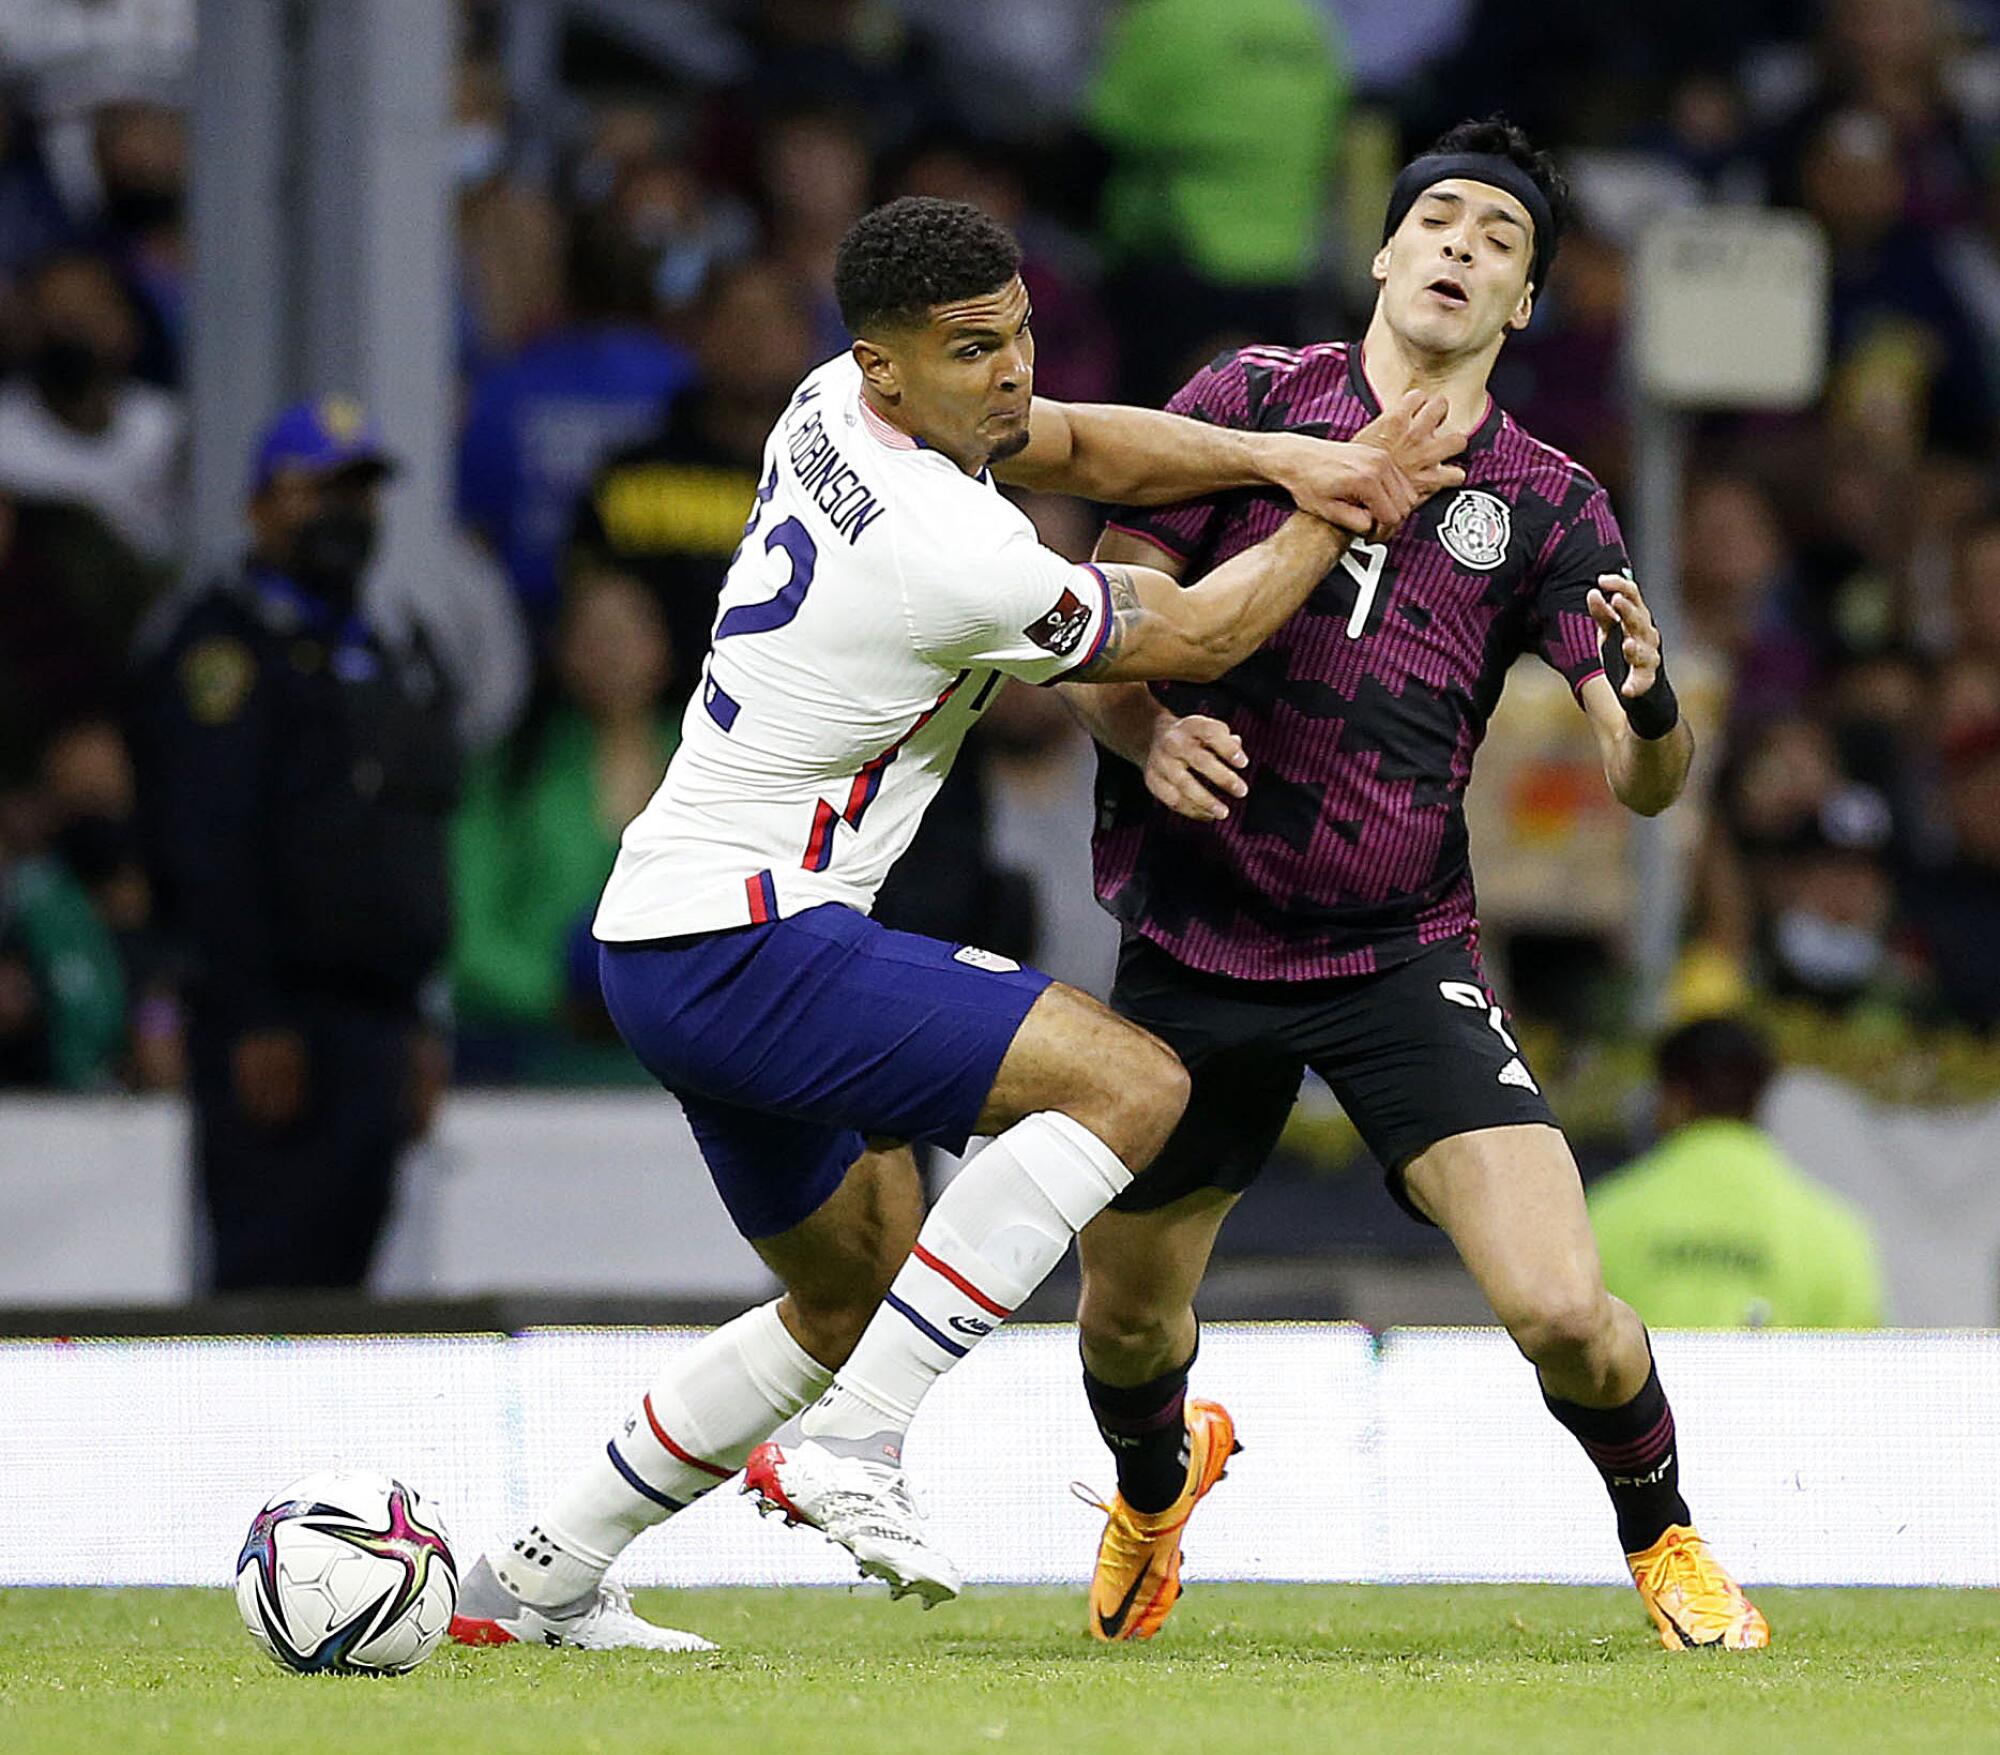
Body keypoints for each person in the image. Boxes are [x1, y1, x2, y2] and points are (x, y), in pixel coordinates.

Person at [446, 194, 1463, 1653]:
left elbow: (1078, 440)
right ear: (886, 366)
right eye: (975, 347)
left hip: (671, 934)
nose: (1010, 371)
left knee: (850, 1290)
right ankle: (859, 1448)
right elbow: (1205, 633)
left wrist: (1272, 450)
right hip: (752, 938)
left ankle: (536, 1569)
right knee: (1135, 1083)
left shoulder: (832, 408)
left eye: (1021, 334)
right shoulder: (943, 544)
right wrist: (1346, 493)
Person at [1059, 118, 1769, 1652]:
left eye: (1500, 240)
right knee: (1123, 1313)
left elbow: (1646, 781)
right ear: (1384, 253)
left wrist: (1649, 709)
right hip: (1198, 939)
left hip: (1398, 949)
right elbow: (1101, 613)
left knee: (1566, 1310)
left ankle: (1666, 1536)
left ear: (1522, 305)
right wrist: (1144, 719)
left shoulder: (1550, 497)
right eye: (1437, 220)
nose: (1461, 245)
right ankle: (1153, 1484)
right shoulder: (1250, 403)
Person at [130, 399, 459, 1291]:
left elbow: (416, 840)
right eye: (319, 490)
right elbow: (207, 845)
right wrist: (251, 1015)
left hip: (379, 1025)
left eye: (360, 492)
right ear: (259, 507)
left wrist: (423, 1018)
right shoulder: (221, 651)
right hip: (277, 1027)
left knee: (355, 1287)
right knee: (264, 1283)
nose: (345, 514)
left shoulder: (393, 648)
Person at [1589, 1017, 1887, 1329]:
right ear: (1763, 1095)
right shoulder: (1835, 1232)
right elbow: (1859, 1365)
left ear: (1672, 1097)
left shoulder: (1604, 1216)